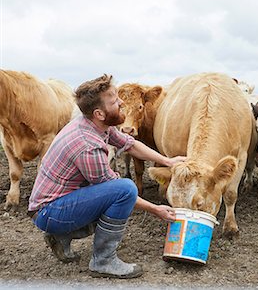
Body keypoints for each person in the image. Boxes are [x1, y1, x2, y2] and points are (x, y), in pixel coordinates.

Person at [28, 74, 186, 279]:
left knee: (118, 193)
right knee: (125, 190)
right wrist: (156, 210)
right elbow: (116, 190)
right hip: (50, 211)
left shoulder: (95, 125)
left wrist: (168, 161)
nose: (121, 102)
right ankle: (103, 260)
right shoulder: (88, 145)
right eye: (114, 101)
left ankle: (61, 236)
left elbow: (130, 144)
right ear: (99, 113)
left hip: (56, 204)